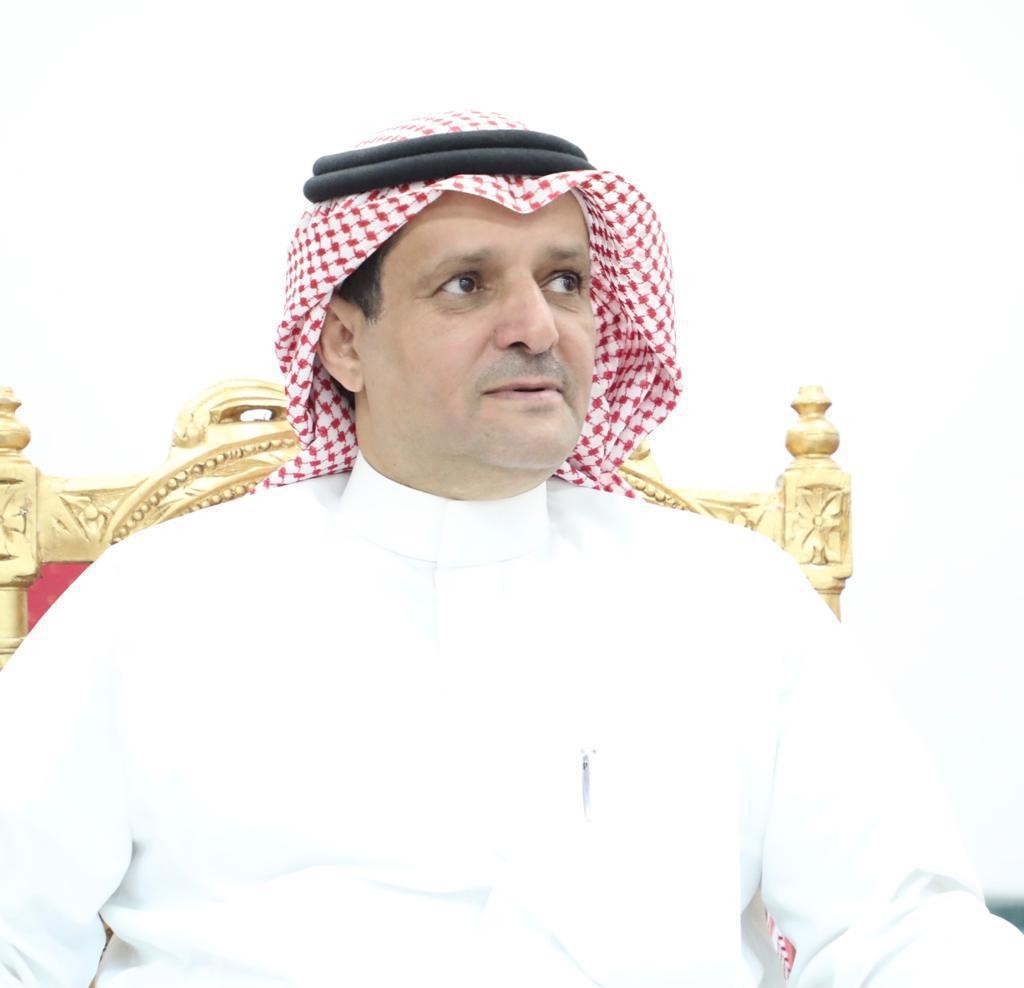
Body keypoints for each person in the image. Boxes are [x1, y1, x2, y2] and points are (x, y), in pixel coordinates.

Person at [1, 110, 1022, 988]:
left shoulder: (733, 598)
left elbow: (899, 928)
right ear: (345, 342)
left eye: (566, 280)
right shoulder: (157, 605)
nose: (537, 326)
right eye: (466, 285)